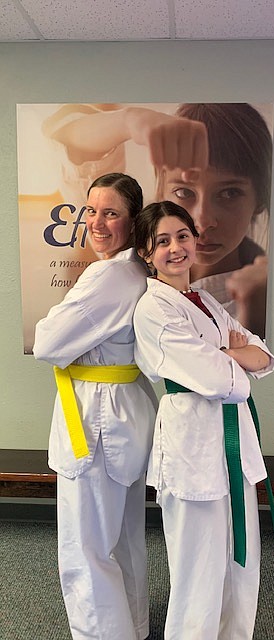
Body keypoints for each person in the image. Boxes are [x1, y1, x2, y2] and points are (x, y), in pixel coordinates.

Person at [133, 200, 274, 640]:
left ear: (195, 240)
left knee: (241, 559)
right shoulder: (154, 309)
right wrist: (235, 361)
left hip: (231, 447)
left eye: (182, 236)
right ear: (145, 253)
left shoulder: (207, 302)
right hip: (192, 447)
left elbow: (265, 356)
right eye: (162, 241)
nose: (175, 248)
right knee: (199, 569)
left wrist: (226, 355)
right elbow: (222, 381)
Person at [33, 173, 157, 640]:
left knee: (86, 546)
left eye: (111, 213)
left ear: (133, 222)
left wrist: (57, 327)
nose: (97, 222)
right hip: (122, 412)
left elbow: (48, 341)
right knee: (122, 538)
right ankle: (133, 626)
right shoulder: (135, 270)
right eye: (91, 210)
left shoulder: (108, 275)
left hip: (97, 419)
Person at [43, 102, 271, 337]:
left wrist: (254, 316)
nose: (202, 221)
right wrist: (130, 120)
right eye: (184, 192)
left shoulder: (265, 296)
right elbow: (68, 140)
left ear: (261, 198)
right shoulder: (131, 252)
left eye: (229, 193)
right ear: (162, 190)